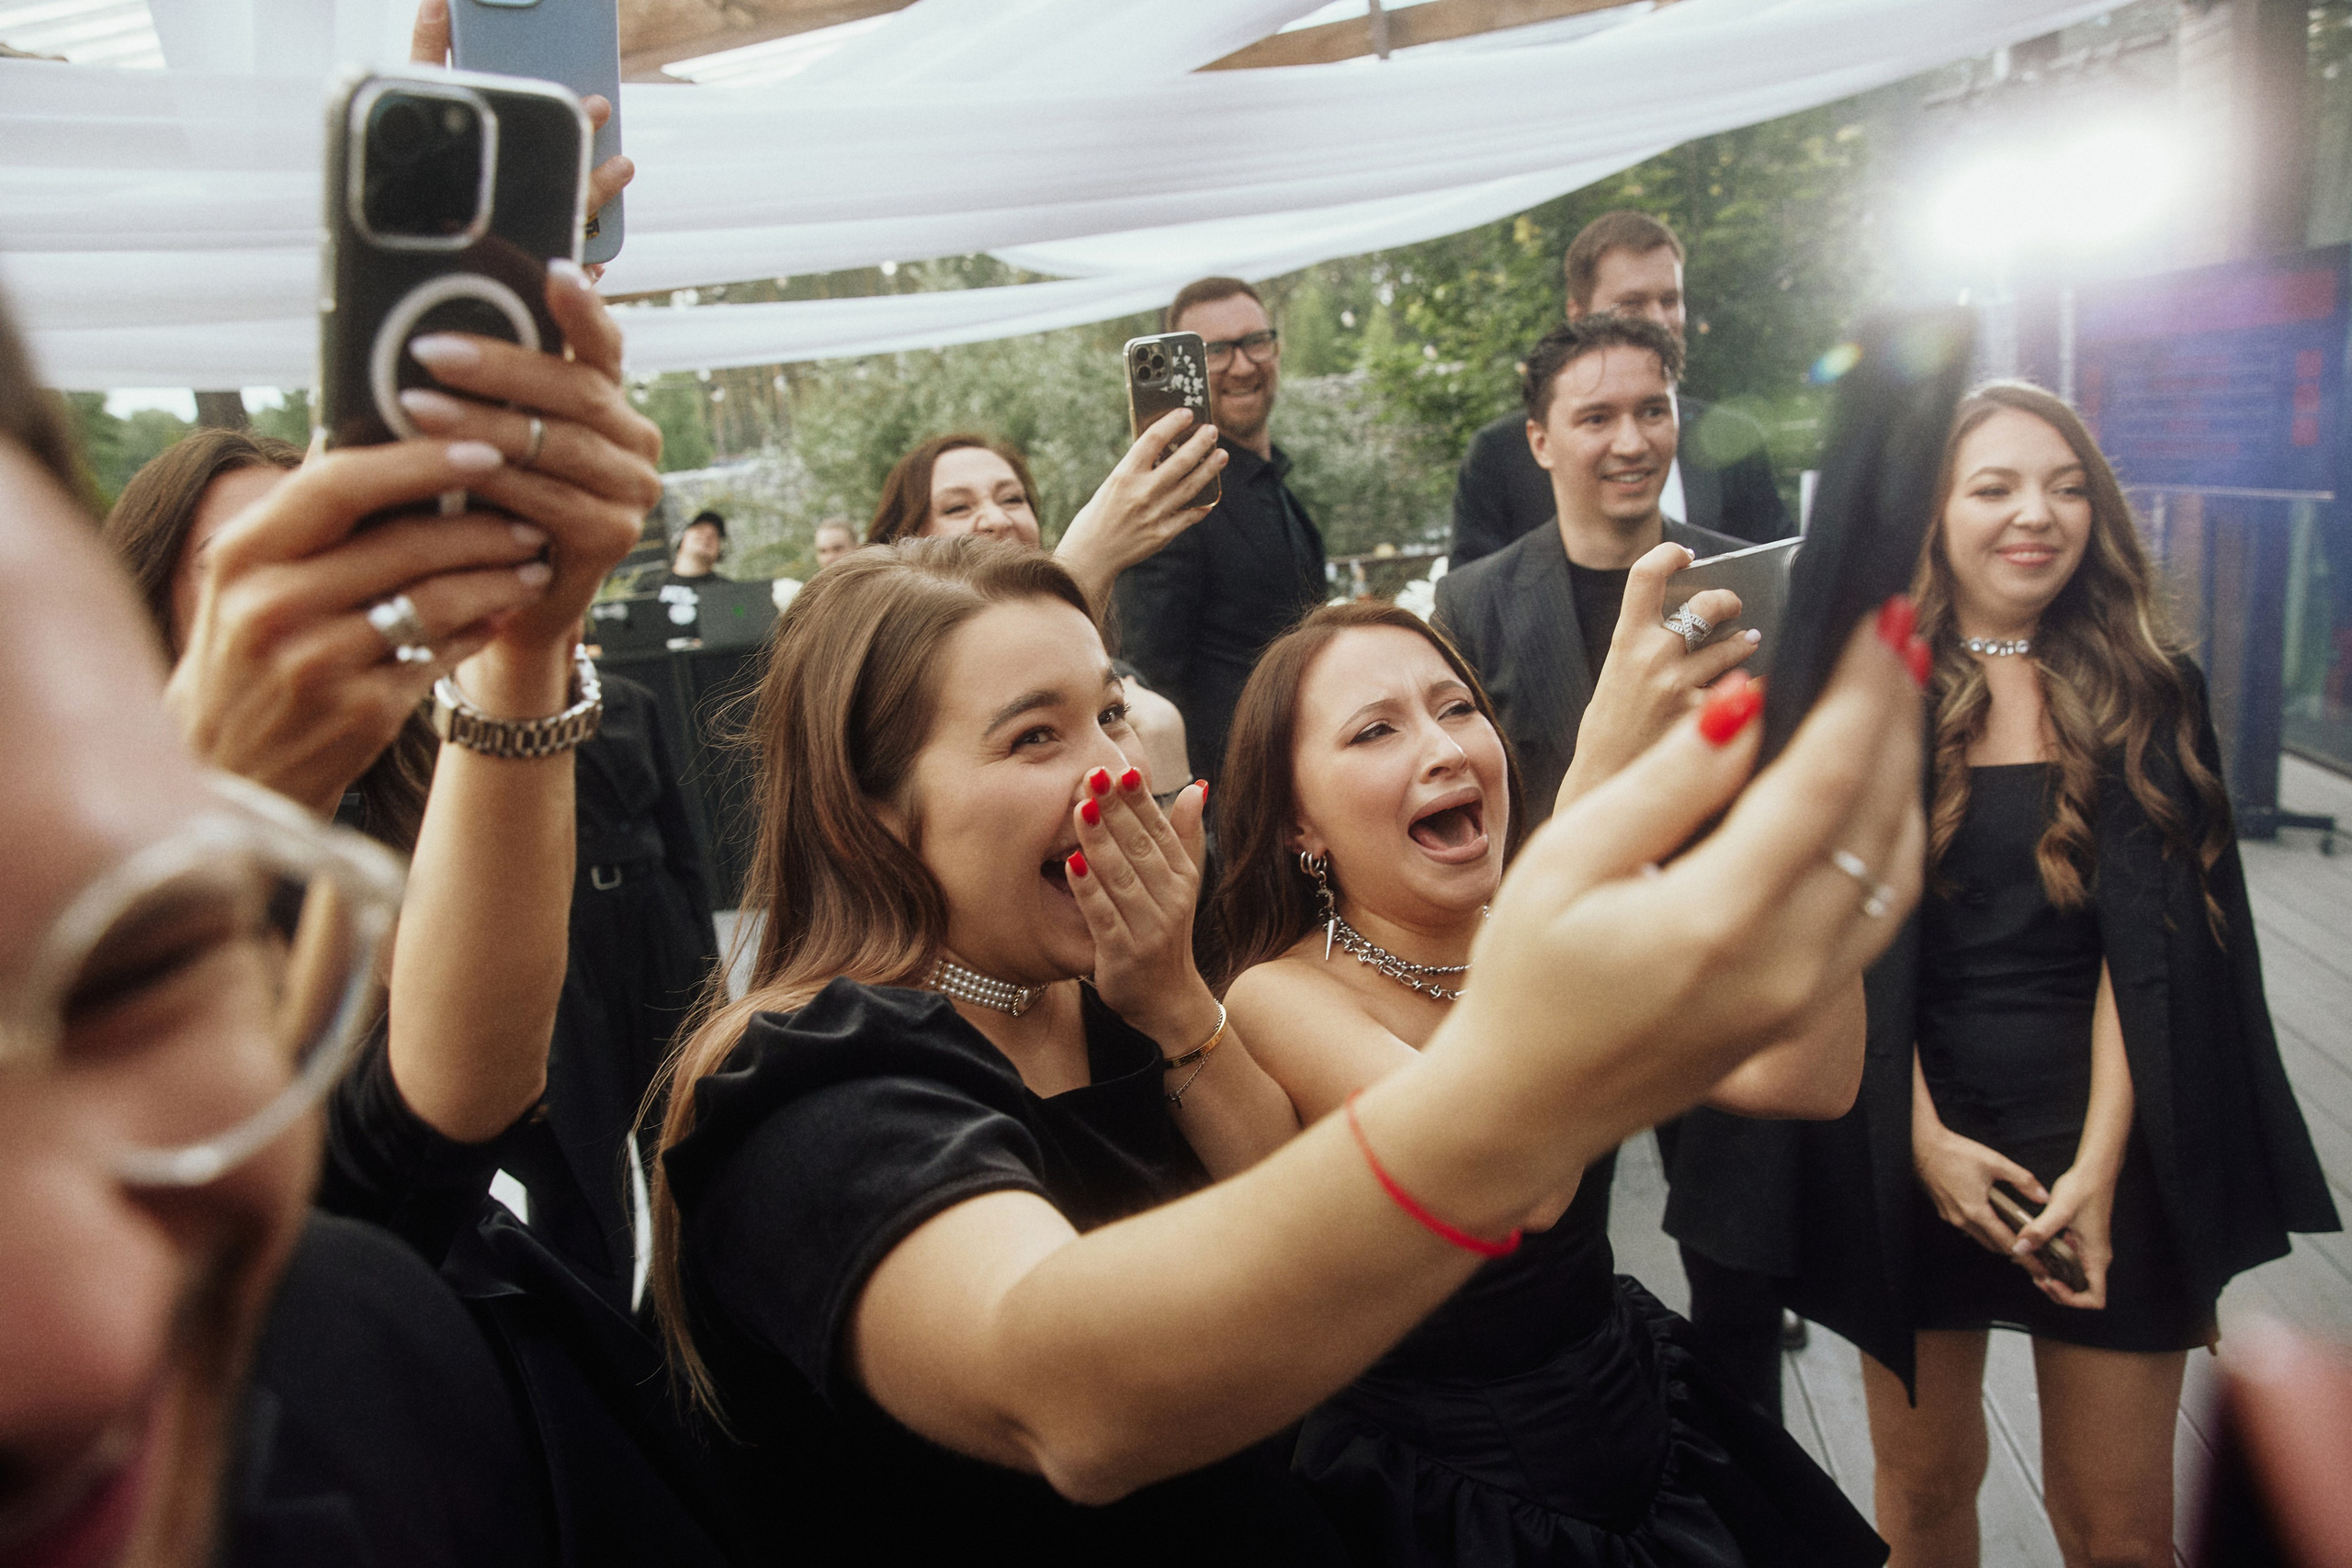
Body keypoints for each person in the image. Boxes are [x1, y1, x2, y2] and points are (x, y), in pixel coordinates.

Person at [642, 532, 1928, 1563]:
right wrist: (1602, 797)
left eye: (1109, 717)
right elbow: (1069, 1390)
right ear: (867, 811)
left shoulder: (1121, 1007)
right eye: (1034, 736)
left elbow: (1290, 1221)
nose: (1110, 775)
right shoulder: (814, 1083)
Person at [1210, 600, 1904, 1565]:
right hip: (1450, 1499)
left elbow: (1810, 1077)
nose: (1445, 749)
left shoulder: (1538, 937)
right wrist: (1601, 784)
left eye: (1456, 708)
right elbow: (1519, 1184)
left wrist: (1813, 815)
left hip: (1640, 1415)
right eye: (1376, 729)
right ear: (1297, 823)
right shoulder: (1279, 996)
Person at [1783, 382, 2339, 1568]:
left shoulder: (2148, 682)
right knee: (1924, 1498)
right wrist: (1920, 1141)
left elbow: (2157, 960)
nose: (2037, 513)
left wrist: (2094, 1163)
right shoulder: (1869, 694)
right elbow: (1833, 947)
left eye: (2067, 485)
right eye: (1994, 487)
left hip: (2107, 1140)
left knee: (2120, 1525)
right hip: (1908, 1126)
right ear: (1935, 514)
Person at [1435, 310, 1799, 1421]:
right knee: (1546, 1264)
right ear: (1540, 439)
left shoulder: (1746, 580)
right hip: (1557, 982)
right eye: (1595, 416)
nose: (1630, 439)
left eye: (1652, 411)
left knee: (1740, 1287)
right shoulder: (1476, 599)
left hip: (1709, 968)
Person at [866, 428, 1210, 788]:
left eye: (1012, 499)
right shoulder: (884, 685)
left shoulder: (1121, 681)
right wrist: (1087, 561)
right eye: (957, 507)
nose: (997, 520)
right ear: (905, 542)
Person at [1449, 210, 1792, 568]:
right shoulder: (1500, 455)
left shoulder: (1733, 438)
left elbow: (1780, 576)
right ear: (1578, 315)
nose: (1659, 319)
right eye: (1632, 304)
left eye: (1670, 300)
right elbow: (1475, 607)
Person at [1112, 276, 1327, 790]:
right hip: (1227, 804)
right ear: (1183, 368)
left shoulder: (1277, 491)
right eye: (1215, 351)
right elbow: (1149, 680)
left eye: (1256, 341)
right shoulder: (1173, 501)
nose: (1243, 365)